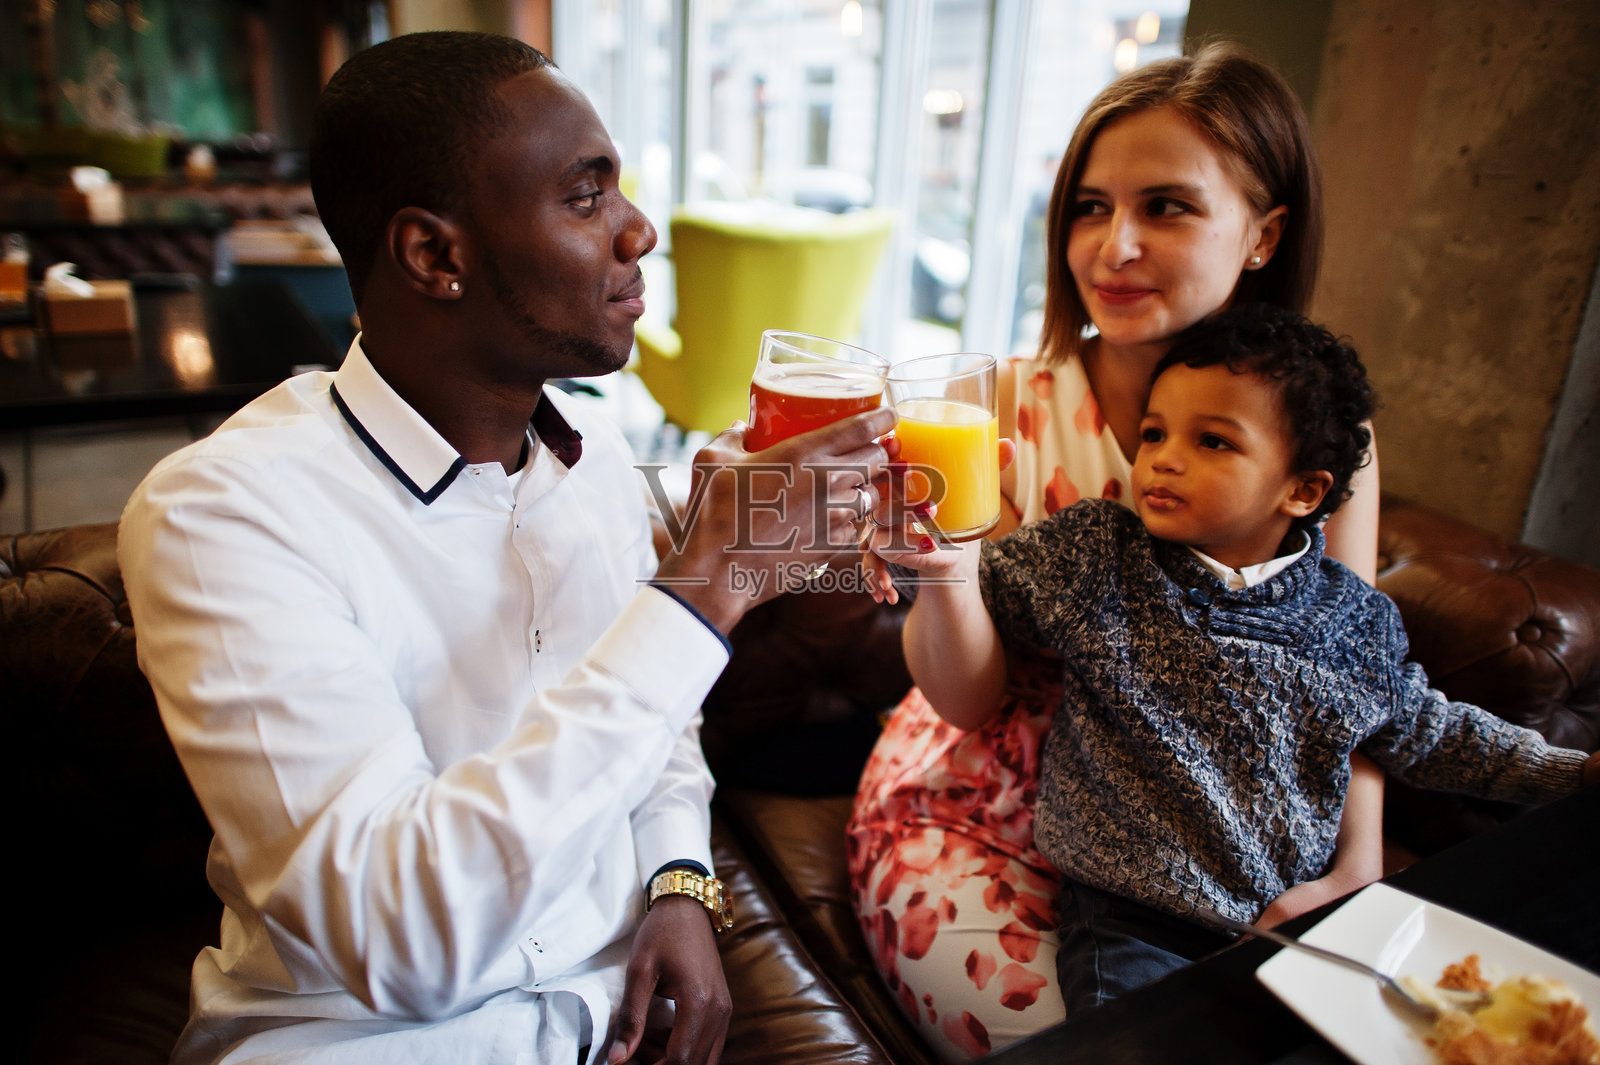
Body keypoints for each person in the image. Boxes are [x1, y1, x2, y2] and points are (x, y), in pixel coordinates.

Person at [117, 32, 895, 1065]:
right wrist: (706, 586)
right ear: (434, 256)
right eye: (585, 196)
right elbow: (404, 940)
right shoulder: (221, 515)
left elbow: (659, 725)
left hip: (611, 1013)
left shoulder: (597, 458)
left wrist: (677, 882)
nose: (640, 231)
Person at [845, 43, 1386, 1062]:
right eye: (1090, 208)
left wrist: (1355, 866)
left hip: (1214, 829)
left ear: (1264, 235)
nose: (1112, 246)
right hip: (985, 810)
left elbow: (1349, 678)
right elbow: (964, 699)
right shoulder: (992, 406)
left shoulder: (1326, 434)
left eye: (1165, 207)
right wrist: (943, 574)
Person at [871, 302, 1600, 1012]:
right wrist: (929, 555)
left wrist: (1571, 774)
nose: (1163, 458)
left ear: (1303, 490)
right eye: (1153, 433)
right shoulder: (1097, 554)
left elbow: (1430, 731)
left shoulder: (1353, 621)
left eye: (1213, 442)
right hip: (1129, 915)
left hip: (1289, 918)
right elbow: (976, 591)